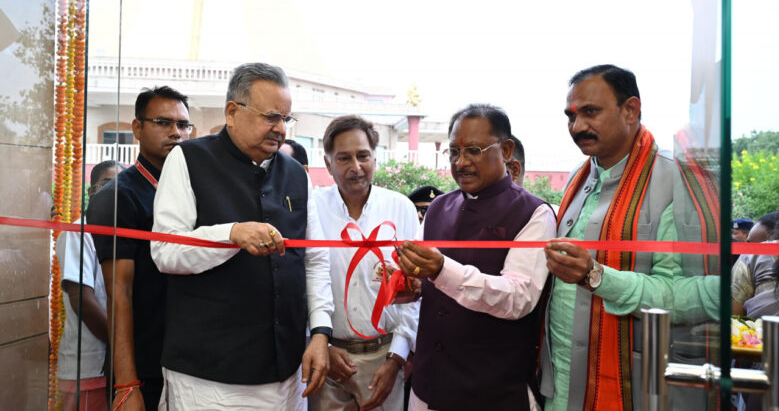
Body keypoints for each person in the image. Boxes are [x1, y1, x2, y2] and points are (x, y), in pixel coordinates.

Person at [150, 62, 333, 410]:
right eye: (272, 117)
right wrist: (231, 235)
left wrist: (321, 333)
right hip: (209, 377)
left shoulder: (297, 174)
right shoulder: (188, 159)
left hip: (288, 373)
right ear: (232, 112)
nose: (280, 129)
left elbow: (315, 260)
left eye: (286, 119)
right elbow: (165, 252)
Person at [541, 64, 719, 410]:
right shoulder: (580, 179)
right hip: (562, 386)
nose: (577, 127)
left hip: (637, 389)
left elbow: (703, 295)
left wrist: (596, 276)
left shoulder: (677, 180)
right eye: (570, 116)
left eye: (590, 112)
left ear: (631, 110)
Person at [397, 104, 556, 411]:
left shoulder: (533, 213)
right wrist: (412, 284)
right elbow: (430, 282)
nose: (462, 162)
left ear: (506, 150)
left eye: (474, 150)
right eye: (454, 151)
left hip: (490, 390)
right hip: (428, 385)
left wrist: (442, 270)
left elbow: (518, 298)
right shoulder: (439, 207)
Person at [88, 86, 191, 410]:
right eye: (163, 122)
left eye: (183, 125)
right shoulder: (118, 197)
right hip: (144, 366)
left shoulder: (191, 190)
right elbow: (119, 292)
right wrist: (127, 383)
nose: (176, 132)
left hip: (192, 362)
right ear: (137, 128)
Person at [309, 115, 419, 411]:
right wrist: (320, 343)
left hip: (384, 360)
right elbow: (303, 281)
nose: (355, 167)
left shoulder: (401, 208)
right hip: (328, 360)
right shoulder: (312, 208)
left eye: (363, 156)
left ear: (375, 158)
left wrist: (397, 357)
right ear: (328, 162)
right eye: (343, 158)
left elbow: (415, 293)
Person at [57, 160, 122, 411]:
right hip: (88, 368)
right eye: (107, 183)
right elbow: (81, 299)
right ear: (91, 191)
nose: (114, 190)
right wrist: (124, 345)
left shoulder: (123, 234)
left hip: (116, 369)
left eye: (120, 184)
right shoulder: (78, 232)